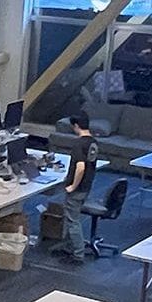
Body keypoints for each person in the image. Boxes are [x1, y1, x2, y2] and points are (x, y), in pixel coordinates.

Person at [55, 112, 99, 263]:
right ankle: (68, 246)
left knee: (73, 221)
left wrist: (73, 185)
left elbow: (80, 167)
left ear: (76, 126)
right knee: (70, 217)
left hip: (77, 189)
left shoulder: (79, 144)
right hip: (86, 186)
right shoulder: (93, 142)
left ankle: (78, 254)